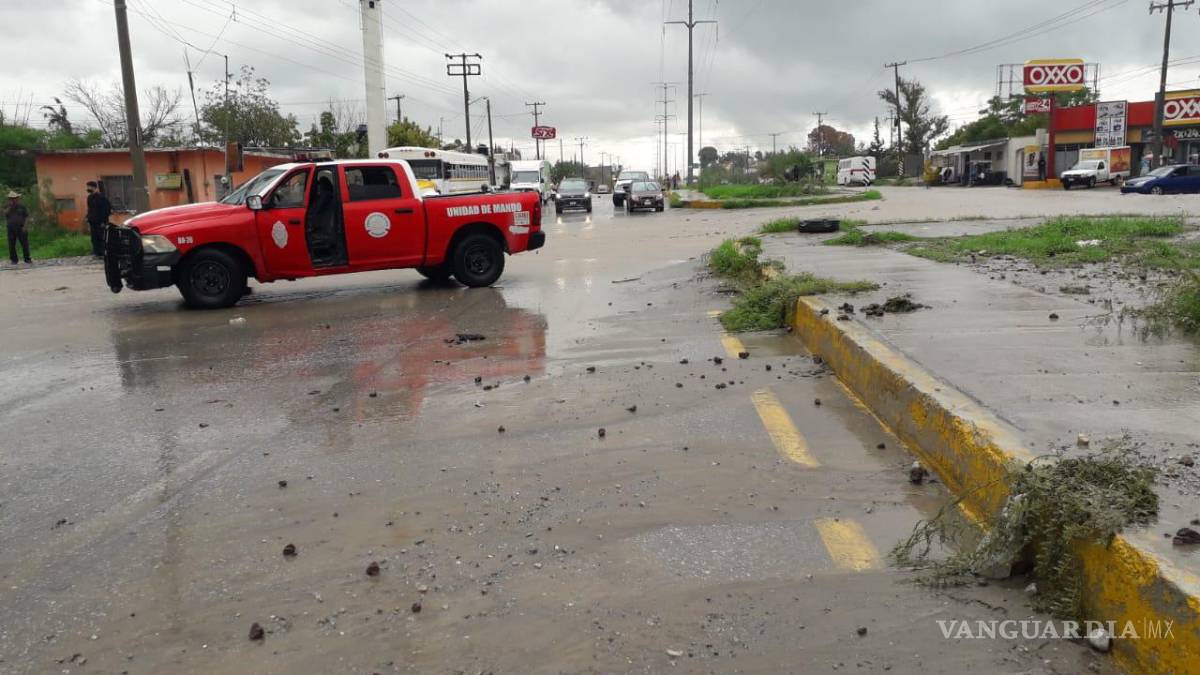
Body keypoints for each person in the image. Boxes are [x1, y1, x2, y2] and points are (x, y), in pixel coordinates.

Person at [85, 181, 112, 257]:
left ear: (94, 187)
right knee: (94, 238)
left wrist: (103, 221)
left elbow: (107, 210)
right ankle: (96, 252)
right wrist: (88, 218)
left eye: (89, 187)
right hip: (92, 221)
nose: (87, 188)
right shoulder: (89, 198)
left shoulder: (101, 198)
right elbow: (90, 209)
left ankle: (104, 252)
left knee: (102, 237)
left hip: (100, 222)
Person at [5, 191, 31, 265]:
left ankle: (27, 259)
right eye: (11, 198)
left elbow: (27, 216)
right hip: (11, 228)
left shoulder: (22, 206)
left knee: (25, 244)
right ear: (9, 199)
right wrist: (10, 207)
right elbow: (5, 213)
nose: (13, 200)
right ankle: (14, 260)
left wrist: (25, 226)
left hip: (21, 227)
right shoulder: (7, 206)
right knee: (11, 245)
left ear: (17, 198)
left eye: (15, 198)